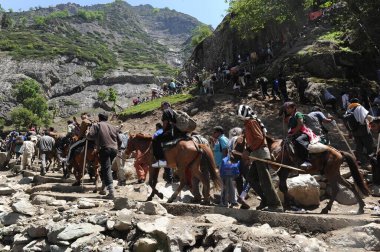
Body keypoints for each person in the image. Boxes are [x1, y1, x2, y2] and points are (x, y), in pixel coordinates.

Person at [237, 104, 283, 212]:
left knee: (265, 180)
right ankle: (265, 200)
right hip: (256, 154)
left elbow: (259, 138)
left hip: (260, 153)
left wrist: (248, 150)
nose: (239, 118)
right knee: (251, 178)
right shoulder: (249, 123)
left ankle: (276, 205)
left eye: (239, 116)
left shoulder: (252, 122)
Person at [87, 112, 121, 199]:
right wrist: (118, 149)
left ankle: (111, 192)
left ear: (99, 118)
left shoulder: (96, 125)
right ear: (107, 118)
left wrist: (87, 133)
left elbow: (90, 136)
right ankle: (103, 188)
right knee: (106, 168)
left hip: (104, 149)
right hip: (114, 149)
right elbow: (119, 140)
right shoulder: (113, 127)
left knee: (106, 169)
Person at [152, 102, 186, 168]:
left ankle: (161, 160)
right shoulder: (173, 111)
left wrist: (163, 131)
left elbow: (165, 123)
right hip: (177, 132)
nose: (162, 108)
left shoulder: (166, 111)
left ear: (166, 105)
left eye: (163, 106)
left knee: (155, 140)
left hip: (169, 132)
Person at [285, 102, 318, 168]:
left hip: (304, 133)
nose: (286, 110)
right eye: (286, 108)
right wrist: (289, 134)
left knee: (298, 141)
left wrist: (293, 133)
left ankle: (307, 161)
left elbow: (300, 124)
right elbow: (291, 128)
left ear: (293, 108)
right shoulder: (291, 118)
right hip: (295, 134)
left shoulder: (298, 114)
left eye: (288, 108)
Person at [344, 98, 376, 165]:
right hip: (363, 130)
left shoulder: (348, 110)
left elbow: (347, 123)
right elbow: (366, 117)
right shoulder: (359, 107)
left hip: (354, 132)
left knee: (359, 147)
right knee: (369, 145)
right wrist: (375, 119)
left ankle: (360, 162)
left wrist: (350, 132)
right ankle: (372, 161)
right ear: (357, 102)